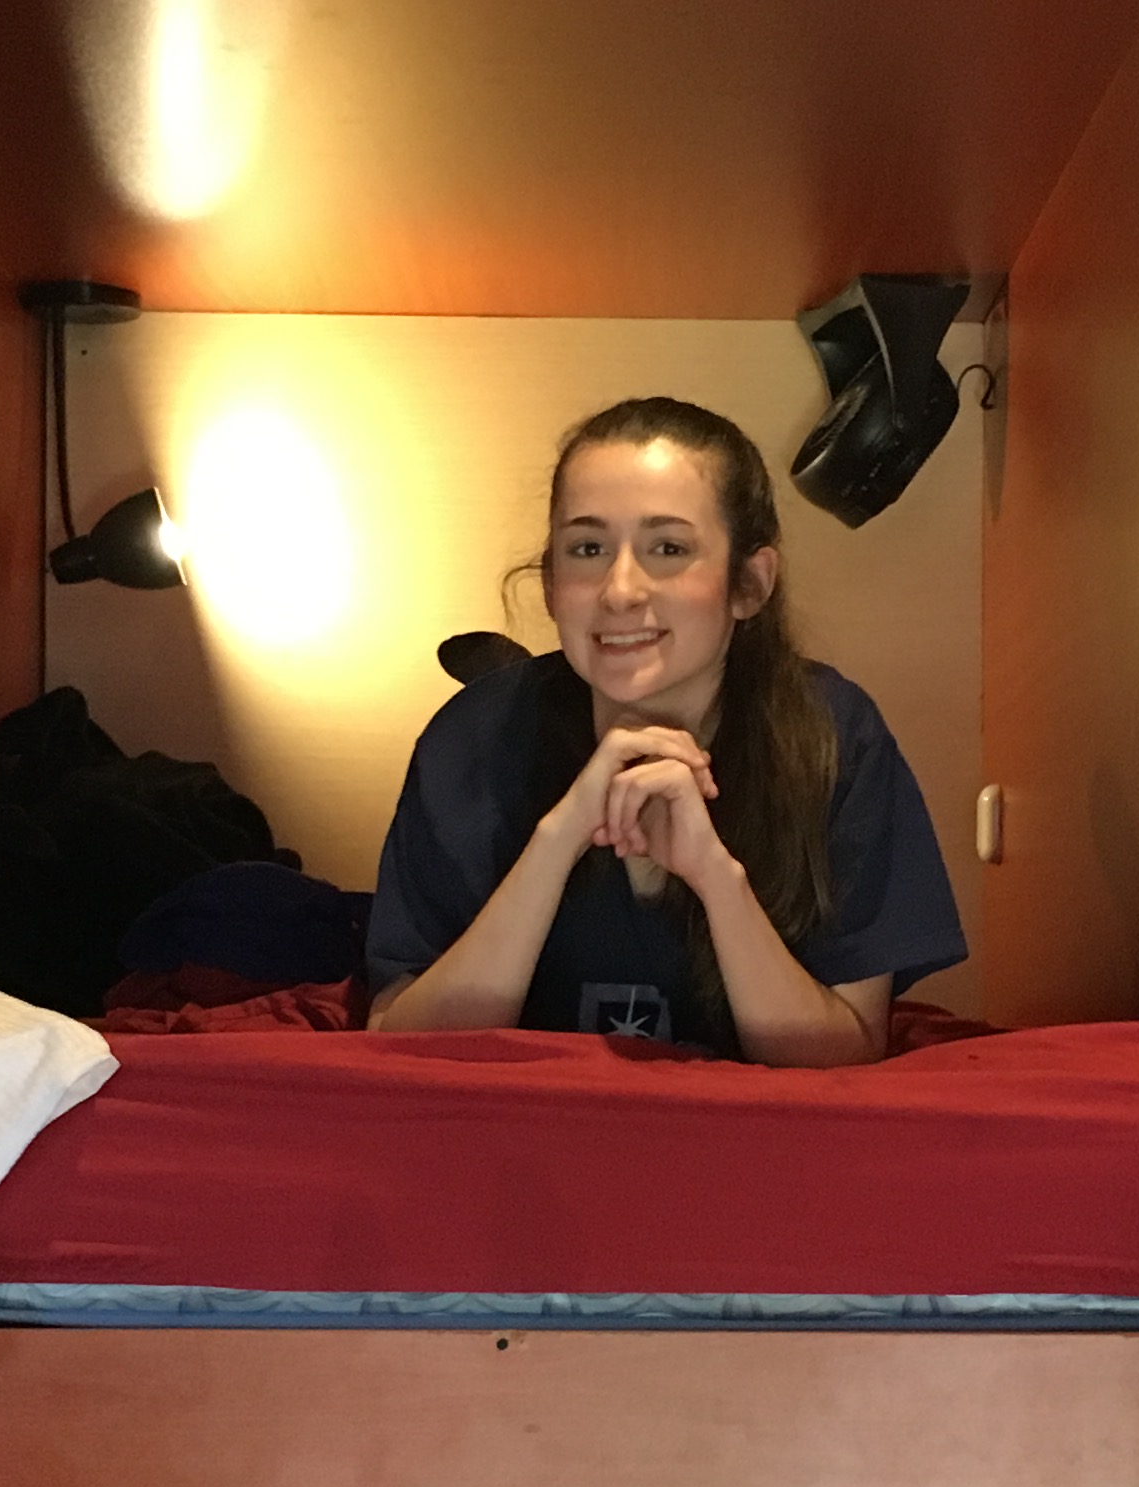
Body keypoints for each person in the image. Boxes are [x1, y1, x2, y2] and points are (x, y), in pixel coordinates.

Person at [365, 396, 963, 1066]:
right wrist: (558, 838)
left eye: (668, 548)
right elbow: (401, 1047)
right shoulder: (472, 738)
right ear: (551, 584)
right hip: (527, 1141)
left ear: (750, 585)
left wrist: (714, 877)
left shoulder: (833, 737)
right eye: (586, 548)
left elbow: (844, 1057)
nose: (619, 589)